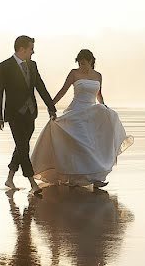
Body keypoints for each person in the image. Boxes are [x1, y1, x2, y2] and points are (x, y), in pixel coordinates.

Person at [30, 49, 132, 188]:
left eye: (83, 63)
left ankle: (96, 177)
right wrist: (51, 105)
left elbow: (99, 95)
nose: (81, 66)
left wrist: (104, 108)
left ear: (90, 61)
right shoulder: (74, 73)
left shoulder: (98, 76)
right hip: (76, 112)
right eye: (79, 63)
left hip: (92, 113)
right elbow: (63, 90)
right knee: (81, 145)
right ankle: (76, 177)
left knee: (94, 145)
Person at [0, 35, 57, 195]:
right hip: (14, 114)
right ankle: (32, 181)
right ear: (22, 49)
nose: (33, 52)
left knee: (22, 146)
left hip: (30, 113)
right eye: (31, 49)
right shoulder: (4, 66)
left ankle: (9, 177)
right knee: (23, 147)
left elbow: (40, 87)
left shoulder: (33, 65)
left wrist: (51, 107)